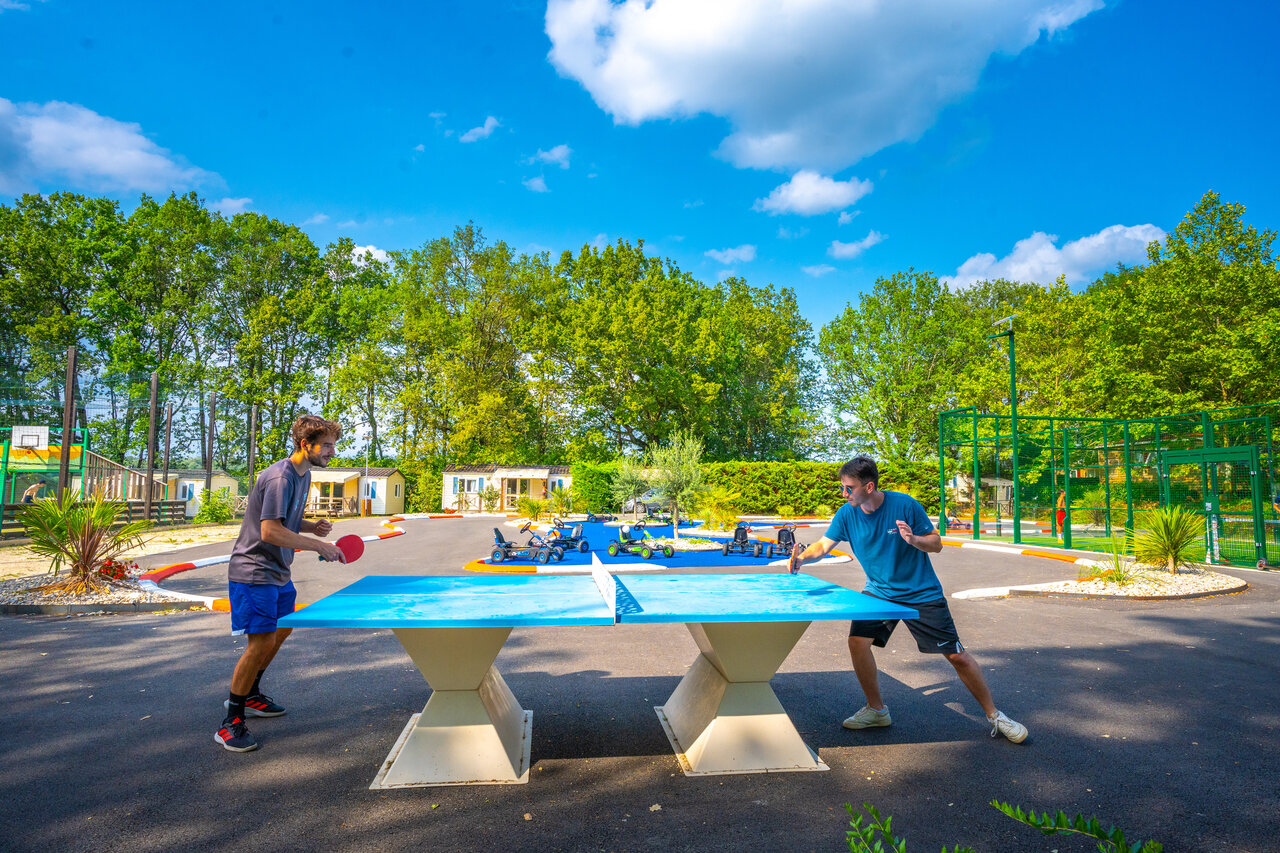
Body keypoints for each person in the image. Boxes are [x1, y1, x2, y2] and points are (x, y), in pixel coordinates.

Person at [788, 455, 1028, 744]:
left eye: (848, 488)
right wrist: (802, 558)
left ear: (869, 486)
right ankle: (876, 710)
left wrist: (914, 540)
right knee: (857, 643)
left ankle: (995, 716)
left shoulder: (905, 505)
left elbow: (936, 544)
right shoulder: (846, 514)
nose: (844, 493)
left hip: (921, 593)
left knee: (957, 656)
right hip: (879, 592)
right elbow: (824, 545)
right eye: (842, 487)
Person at [215, 414, 347, 753]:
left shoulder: (303, 475)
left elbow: (283, 519)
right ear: (306, 444)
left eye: (334, 444)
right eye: (327, 445)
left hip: (278, 572)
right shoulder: (280, 477)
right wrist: (320, 546)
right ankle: (231, 722)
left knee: (282, 630)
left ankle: (253, 694)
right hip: (255, 572)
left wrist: (310, 527)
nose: (332, 451)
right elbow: (269, 530)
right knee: (259, 643)